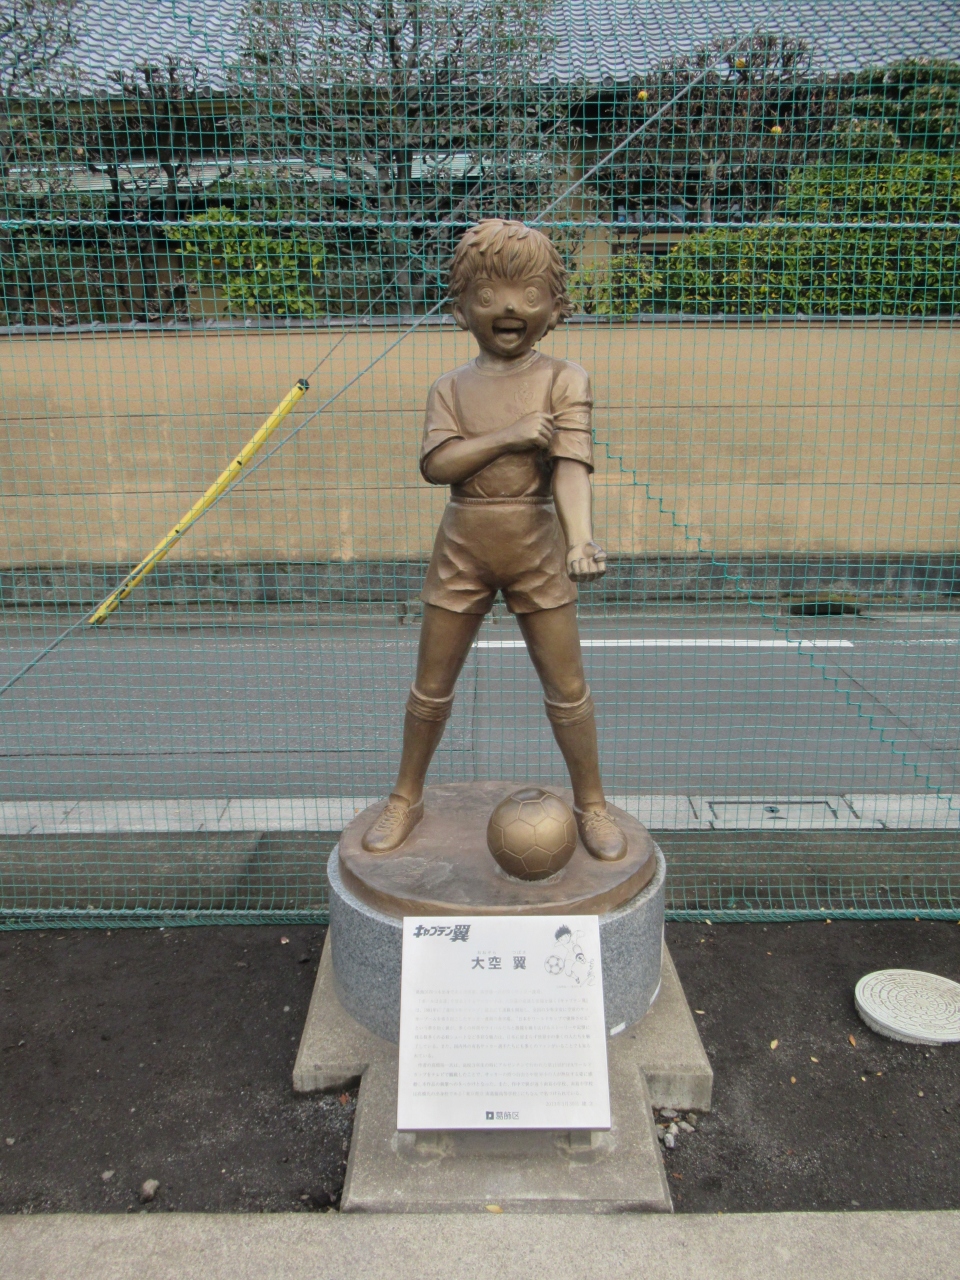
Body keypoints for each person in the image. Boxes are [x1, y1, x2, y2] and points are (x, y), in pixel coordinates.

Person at [362, 218, 626, 861]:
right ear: (460, 310)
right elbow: (438, 465)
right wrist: (510, 435)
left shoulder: (565, 379)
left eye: (529, 294)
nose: (509, 308)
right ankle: (405, 795)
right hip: (463, 543)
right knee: (430, 687)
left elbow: (571, 464)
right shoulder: (450, 388)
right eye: (488, 295)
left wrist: (580, 540)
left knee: (568, 688)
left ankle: (592, 803)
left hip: (537, 541)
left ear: (556, 308)